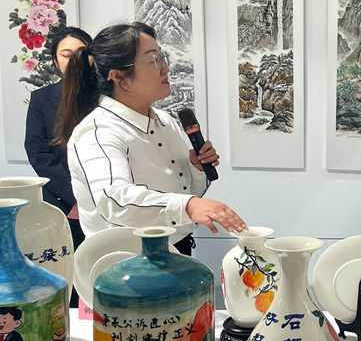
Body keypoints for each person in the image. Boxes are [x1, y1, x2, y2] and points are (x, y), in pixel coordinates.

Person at [55, 22, 246, 255]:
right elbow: (114, 200)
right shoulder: (98, 132)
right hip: (128, 261)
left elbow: (185, 193)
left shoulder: (165, 121)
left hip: (175, 249)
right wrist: (188, 205)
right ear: (119, 77)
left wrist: (196, 170)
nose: (166, 68)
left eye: (162, 58)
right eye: (154, 60)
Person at [25, 27, 94, 257]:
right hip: (62, 200)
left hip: (106, 199)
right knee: (67, 264)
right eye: (66, 54)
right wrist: (77, 195)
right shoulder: (41, 98)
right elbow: (38, 152)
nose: (75, 60)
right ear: (55, 61)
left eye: (82, 53)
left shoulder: (108, 95)